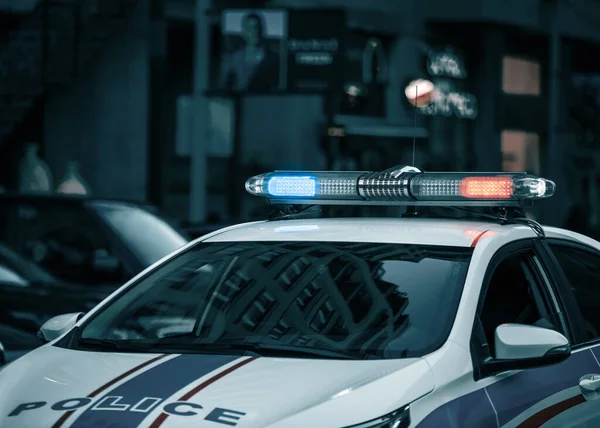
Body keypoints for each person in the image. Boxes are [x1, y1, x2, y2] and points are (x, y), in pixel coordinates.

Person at [218, 12, 280, 92]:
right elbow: (223, 85)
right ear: (244, 31)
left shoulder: (273, 58)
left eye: (257, 27)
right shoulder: (233, 58)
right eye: (250, 27)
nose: (254, 31)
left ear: (262, 30)